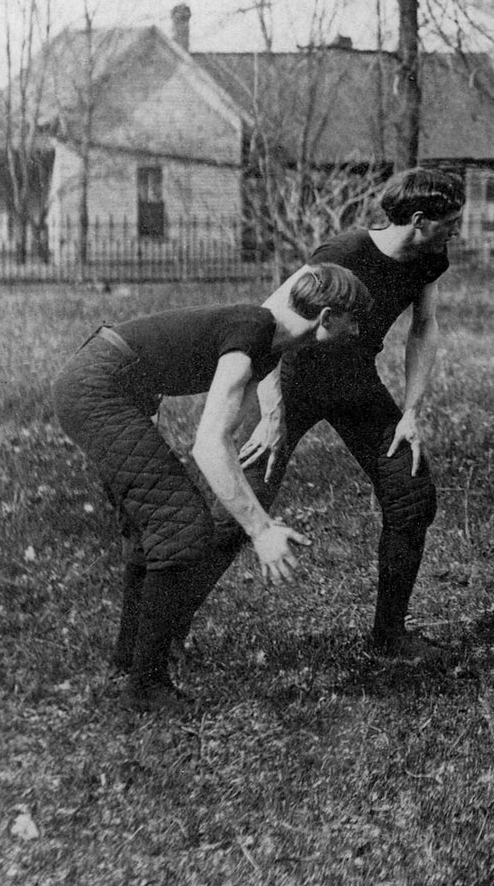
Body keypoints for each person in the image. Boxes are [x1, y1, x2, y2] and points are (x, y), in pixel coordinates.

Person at [51, 262, 368, 714]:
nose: (356, 331)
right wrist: (260, 530)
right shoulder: (255, 330)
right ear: (327, 317)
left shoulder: (269, 343)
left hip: (106, 383)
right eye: (353, 320)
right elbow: (208, 444)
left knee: (157, 528)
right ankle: (145, 688)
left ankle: (131, 662)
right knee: (179, 526)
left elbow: (225, 437)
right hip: (96, 387)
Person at [237, 167, 464, 662]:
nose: (456, 232)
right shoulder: (341, 255)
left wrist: (410, 412)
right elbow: (262, 324)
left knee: (411, 491)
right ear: (420, 220)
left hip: (353, 382)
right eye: (450, 222)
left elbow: (423, 328)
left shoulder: (430, 256)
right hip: (292, 378)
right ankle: (154, 646)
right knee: (234, 504)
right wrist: (270, 413)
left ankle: (389, 638)